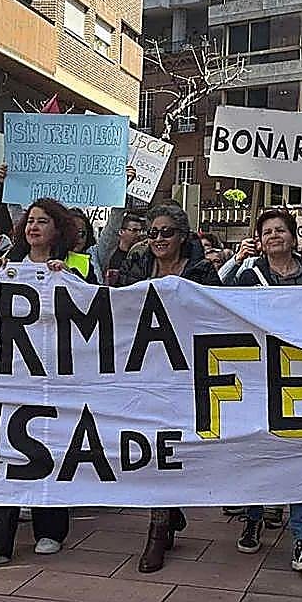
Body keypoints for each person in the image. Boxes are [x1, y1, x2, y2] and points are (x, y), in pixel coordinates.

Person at [0, 198, 88, 569]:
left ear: (58, 228)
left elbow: (95, 309)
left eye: (43, 221)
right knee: (4, 453)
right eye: (30, 221)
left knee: (49, 449)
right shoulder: (6, 265)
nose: (34, 227)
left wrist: (69, 278)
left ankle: (51, 529)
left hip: (55, 377)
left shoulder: (77, 264)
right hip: (11, 376)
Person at [119, 202, 222, 572]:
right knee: (155, 442)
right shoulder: (137, 262)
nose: (158, 239)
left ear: (182, 236)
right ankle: (162, 521)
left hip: (187, 368)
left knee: (175, 443)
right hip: (145, 366)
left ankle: (164, 518)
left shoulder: (202, 270)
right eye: (153, 233)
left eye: (167, 232)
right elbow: (116, 304)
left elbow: (221, 312)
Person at [232, 210, 302, 572]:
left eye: (280, 230)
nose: (274, 236)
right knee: (259, 453)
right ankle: (253, 518)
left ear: (293, 236)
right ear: (260, 239)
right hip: (259, 377)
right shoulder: (247, 277)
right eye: (267, 231)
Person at [93, 211, 146, 286]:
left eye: (140, 231)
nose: (139, 234)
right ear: (121, 231)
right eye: (134, 230)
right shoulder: (109, 254)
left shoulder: (141, 255)